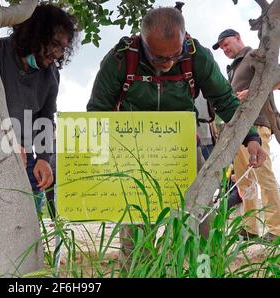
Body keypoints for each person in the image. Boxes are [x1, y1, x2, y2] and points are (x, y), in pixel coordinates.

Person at [86, 7, 266, 266]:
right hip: (134, 151)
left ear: (184, 40)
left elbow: (225, 100)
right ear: (143, 41)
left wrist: (251, 138)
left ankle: (203, 269)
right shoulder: (121, 58)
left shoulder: (197, 56)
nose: (168, 63)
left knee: (201, 213)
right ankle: (138, 271)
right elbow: (98, 110)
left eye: (175, 55)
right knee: (135, 222)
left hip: (182, 149)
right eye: (159, 57)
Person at [0, 4, 77, 275]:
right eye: (54, 44)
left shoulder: (50, 73)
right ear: (35, 32)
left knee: (27, 241)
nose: (57, 54)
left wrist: (44, 159)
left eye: (62, 48)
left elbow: (46, 117)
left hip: (27, 166)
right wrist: (2, 140)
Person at [214, 29, 280, 240]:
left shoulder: (254, 55)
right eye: (222, 47)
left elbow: (276, 78)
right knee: (245, 181)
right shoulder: (232, 69)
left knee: (264, 176)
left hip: (258, 124)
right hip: (239, 131)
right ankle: (250, 229)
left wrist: (252, 92)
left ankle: (276, 230)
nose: (225, 49)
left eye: (226, 43)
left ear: (238, 38)